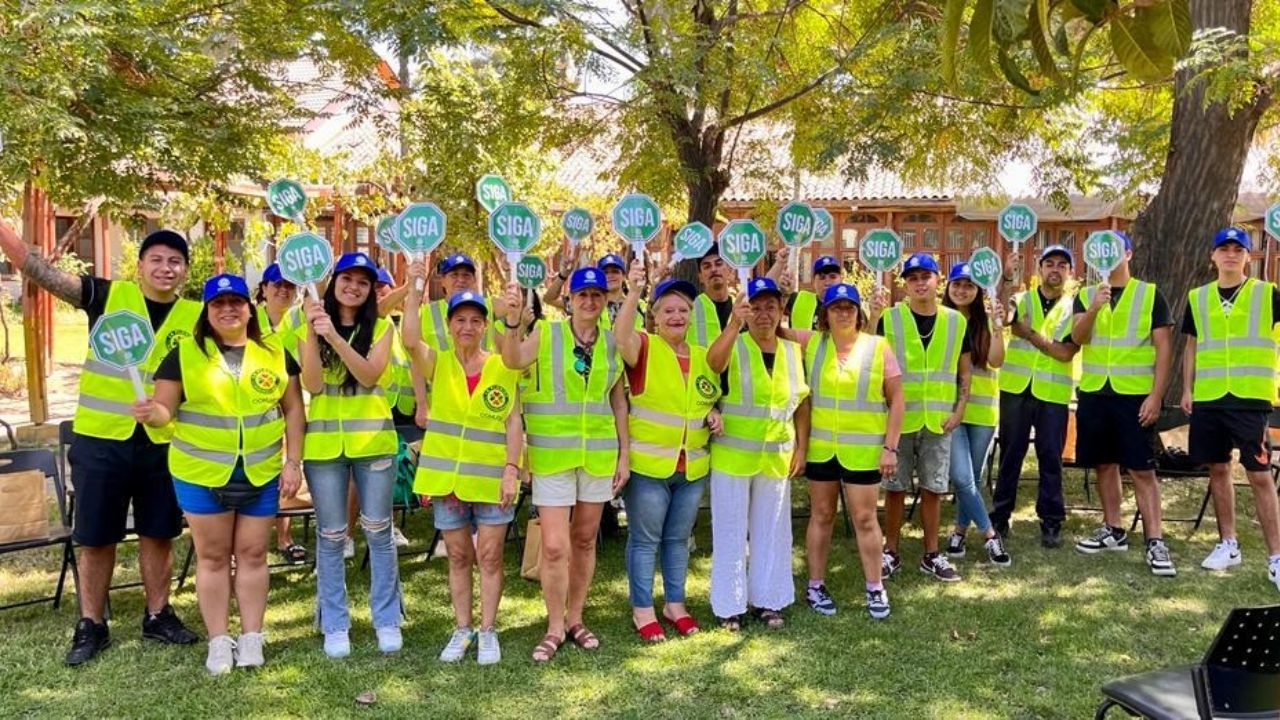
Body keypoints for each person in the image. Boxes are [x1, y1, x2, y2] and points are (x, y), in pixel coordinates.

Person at [0, 222, 202, 665]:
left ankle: (158, 615)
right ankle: (92, 623)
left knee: (159, 531)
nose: (166, 268)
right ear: (141, 265)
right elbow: (36, 269)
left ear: (184, 269)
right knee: (95, 535)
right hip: (100, 440)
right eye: (157, 259)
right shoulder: (107, 297)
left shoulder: (196, 315)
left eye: (175, 261)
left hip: (163, 441)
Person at [134, 273, 305, 674]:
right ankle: (217, 641)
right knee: (212, 557)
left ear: (250, 307)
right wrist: (152, 414)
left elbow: (294, 409)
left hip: (260, 472)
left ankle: (251, 637)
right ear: (206, 312)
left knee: (253, 554)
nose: (228, 309)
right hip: (202, 472)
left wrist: (293, 461)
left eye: (236, 302)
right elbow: (165, 410)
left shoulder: (275, 351)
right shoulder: (185, 354)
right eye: (218, 304)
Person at [500, 267, 629, 661]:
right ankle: (554, 625)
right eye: (582, 295)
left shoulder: (612, 342)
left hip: (597, 456)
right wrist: (510, 323)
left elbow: (618, 400)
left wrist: (624, 453)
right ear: (568, 300)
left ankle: (575, 618)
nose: (590, 301)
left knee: (585, 540)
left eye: (596, 295)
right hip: (553, 456)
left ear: (604, 299)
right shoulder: (548, 332)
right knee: (555, 547)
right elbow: (512, 360)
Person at [403, 258, 524, 664]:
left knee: (489, 555)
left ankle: (488, 630)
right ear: (450, 325)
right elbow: (408, 339)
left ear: (485, 325)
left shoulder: (501, 367)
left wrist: (512, 470)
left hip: (491, 478)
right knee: (457, 556)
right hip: (448, 480)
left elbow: (512, 421)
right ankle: (462, 628)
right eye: (460, 320)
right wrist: (415, 286)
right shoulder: (438, 361)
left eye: (475, 320)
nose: (467, 327)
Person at [297, 251, 402, 658]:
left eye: (363, 281)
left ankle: (387, 618)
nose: (354, 286)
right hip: (324, 449)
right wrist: (311, 333)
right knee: (330, 536)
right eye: (347, 278)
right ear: (333, 281)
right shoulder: (307, 322)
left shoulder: (381, 326)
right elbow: (314, 384)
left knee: (378, 530)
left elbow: (369, 374)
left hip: (373, 443)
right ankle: (335, 624)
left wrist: (334, 337)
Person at [614, 261, 722, 641]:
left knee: (677, 541)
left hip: (691, 467)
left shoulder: (703, 354)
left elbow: (704, 398)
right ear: (654, 317)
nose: (677, 316)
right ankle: (642, 609)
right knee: (645, 540)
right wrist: (634, 293)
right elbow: (619, 336)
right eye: (668, 310)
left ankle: (675, 604)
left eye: (683, 310)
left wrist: (712, 412)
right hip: (648, 467)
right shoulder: (644, 346)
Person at [785, 283, 903, 619]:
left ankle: (875, 586)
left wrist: (890, 448)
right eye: (835, 306)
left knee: (865, 519)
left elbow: (897, 400)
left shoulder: (878, 346)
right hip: (823, 450)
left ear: (859, 312)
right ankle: (815, 585)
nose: (842, 312)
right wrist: (780, 284)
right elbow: (770, 326)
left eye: (848, 306)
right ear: (824, 314)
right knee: (821, 516)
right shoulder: (812, 343)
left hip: (864, 451)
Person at [705, 278, 810, 630]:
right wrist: (733, 324)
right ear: (746, 310)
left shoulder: (793, 352)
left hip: (776, 457)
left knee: (773, 531)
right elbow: (713, 363)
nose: (763, 314)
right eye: (756, 306)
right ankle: (729, 605)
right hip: (733, 457)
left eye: (771, 306)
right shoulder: (734, 344)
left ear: (782, 311)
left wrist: (802, 447)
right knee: (731, 531)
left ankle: (769, 599)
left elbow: (801, 404)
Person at [1180, 227, 1280, 592]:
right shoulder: (1198, 297)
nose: (1231, 255)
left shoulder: (1267, 294)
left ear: (1248, 257)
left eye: (1238, 250)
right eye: (1224, 249)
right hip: (1208, 397)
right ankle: (1228, 544)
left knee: (1259, 474)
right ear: (1213, 256)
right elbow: (1191, 345)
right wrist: (1187, 387)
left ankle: (1276, 558)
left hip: (1250, 399)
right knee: (1218, 469)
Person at [1071, 232, 1177, 576]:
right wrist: (1093, 308)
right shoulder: (1087, 295)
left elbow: (1164, 349)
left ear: (1128, 253)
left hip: (1134, 395)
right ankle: (1113, 529)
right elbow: (1076, 338)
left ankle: (1155, 540)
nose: (1108, 256)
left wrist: (1156, 395)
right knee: (1104, 464)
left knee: (1142, 468)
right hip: (1095, 392)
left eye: (1115, 250)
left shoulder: (1150, 295)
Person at [870, 253, 971, 582]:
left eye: (926, 275)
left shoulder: (956, 321)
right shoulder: (890, 318)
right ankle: (891, 551)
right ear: (905, 284)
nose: (920, 282)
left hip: (939, 419)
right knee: (895, 487)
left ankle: (931, 553)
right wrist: (871, 315)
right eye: (912, 277)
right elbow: (871, 355)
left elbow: (964, 369)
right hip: (899, 420)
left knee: (933, 488)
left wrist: (960, 409)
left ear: (937, 279)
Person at [988, 244, 1080, 548]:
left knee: (1050, 457)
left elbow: (1065, 352)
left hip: (1052, 392)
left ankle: (1051, 521)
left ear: (1069, 272)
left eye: (1061, 265)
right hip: (1015, 389)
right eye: (1049, 263)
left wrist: (1028, 334)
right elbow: (1003, 313)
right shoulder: (1021, 297)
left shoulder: (1073, 306)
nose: (1055, 269)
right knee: (1010, 454)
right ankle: (1000, 517)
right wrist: (1006, 278)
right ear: (1039, 269)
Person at [941, 263, 1012, 566]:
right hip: (951, 409)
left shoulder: (985, 325)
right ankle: (990, 535)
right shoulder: (941, 321)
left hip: (982, 411)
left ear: (978, 290)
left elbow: (996, 360)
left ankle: (958, 530)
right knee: (960, 475)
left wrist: (997, 326)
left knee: (972, 477)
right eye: (956, 284)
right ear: (947, 287)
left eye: (969, 285)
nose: (961, 290)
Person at [255, 263, 307, 565]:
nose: (283, 290)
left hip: (291, 407)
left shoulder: (300, 321)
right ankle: (255, 541)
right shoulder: (249, 319)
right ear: (264, 289)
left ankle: (284, 538)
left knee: (288, 473)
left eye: (290, 285)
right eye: (277, 284)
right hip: (256, 411)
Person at [545, 251, 645, 330]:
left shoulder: (638, 305)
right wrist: (563, 275)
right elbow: (549, 299)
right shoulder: (589, 304)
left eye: (615, 272)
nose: (610, 276)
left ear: (623, 276)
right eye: (605, 272)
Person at [688, 245, 735, 347]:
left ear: (729, 270)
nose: (713, 269)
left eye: (718, 264)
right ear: (700, 277)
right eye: (707, 266)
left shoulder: (741, 308)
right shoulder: (689, 308)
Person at [785, 255, 844, 330]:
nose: (827, 282)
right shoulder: (797, 299)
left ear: (841, 279)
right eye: (822, 277)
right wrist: (785, 292)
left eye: (832, 277)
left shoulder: (850, 307)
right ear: (813, 282)